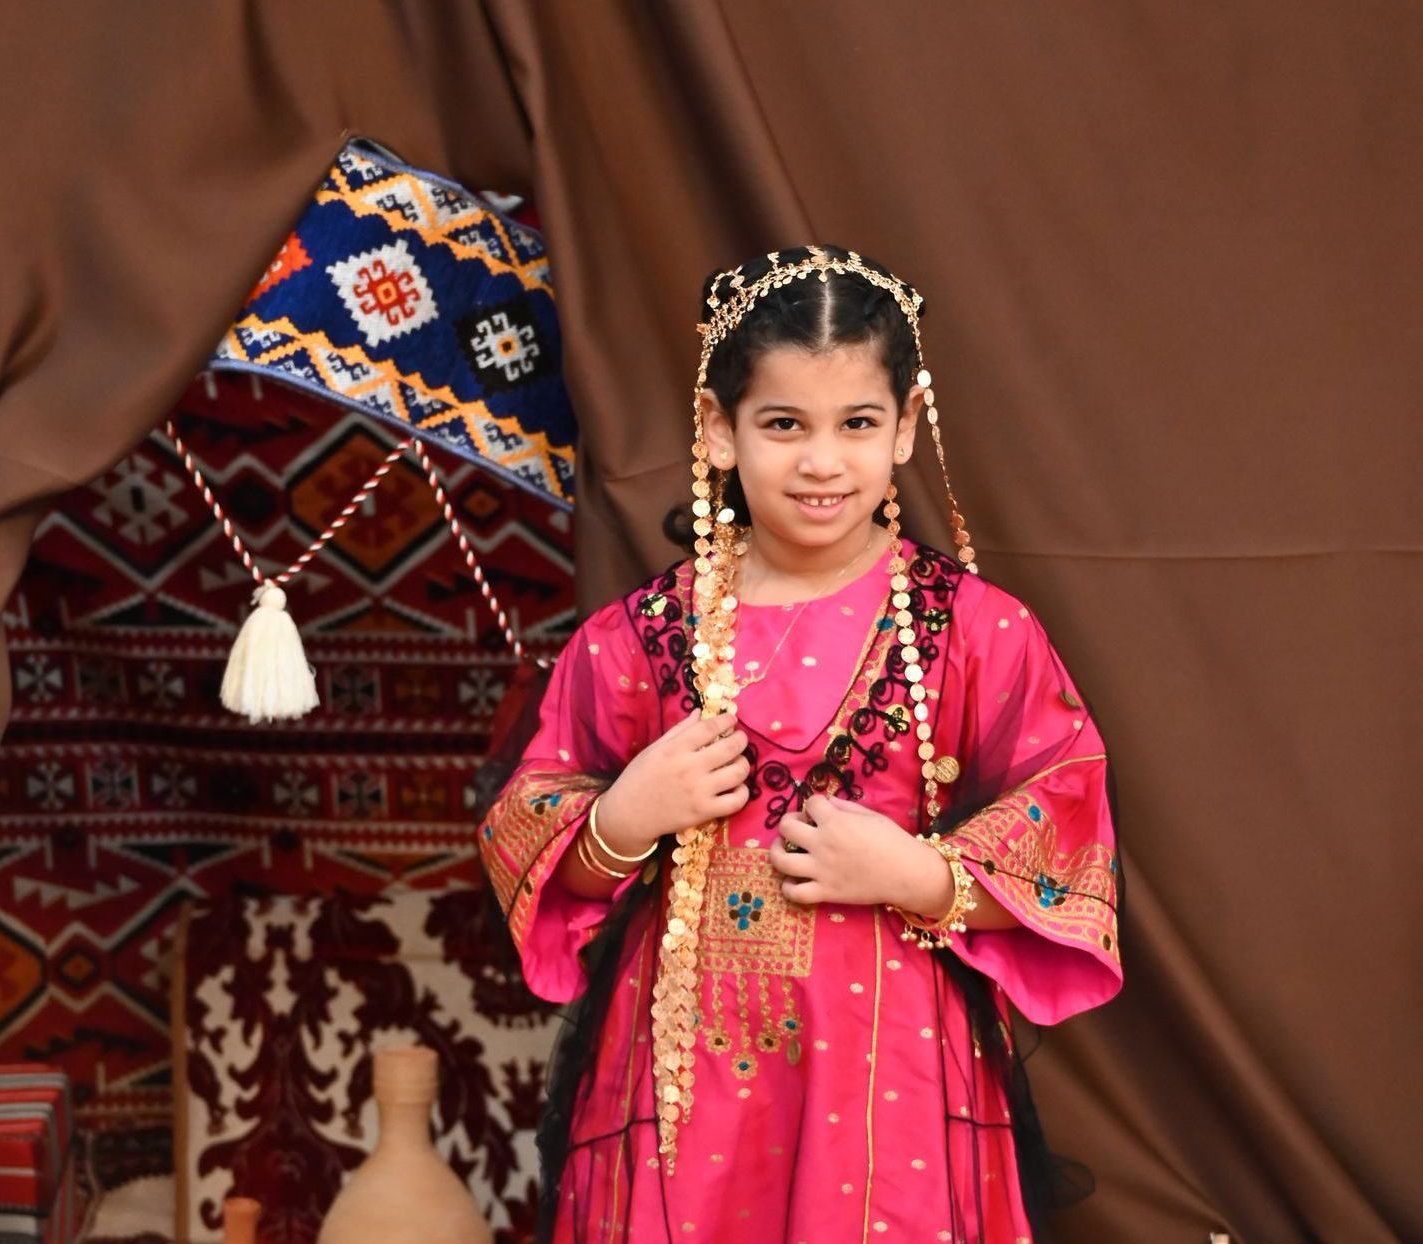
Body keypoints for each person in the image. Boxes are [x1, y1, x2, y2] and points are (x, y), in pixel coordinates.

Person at [478, 245, 1122, 1242]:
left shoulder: (974, 631)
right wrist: (619, 819)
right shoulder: (640, 636)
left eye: (857, 423)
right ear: (718, 430)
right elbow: (526, 816)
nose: (822, 461)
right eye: (784, 424)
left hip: (894, 1070)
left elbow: (1067, 816)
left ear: (905, 427)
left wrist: (919, 871)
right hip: (680, 1063)